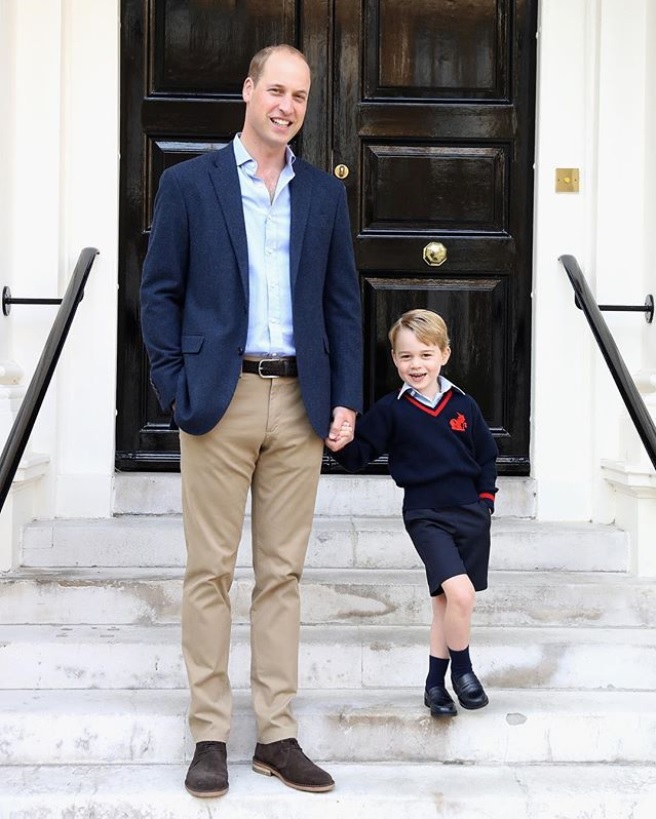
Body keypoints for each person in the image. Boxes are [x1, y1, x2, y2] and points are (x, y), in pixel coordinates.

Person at [140, 44, 362, 798]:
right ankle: (209, 731)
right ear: (248, 91)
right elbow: (159, 292)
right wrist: (174, 386)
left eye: (299, 95)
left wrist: (346, 396)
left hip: (300, 401)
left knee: (283, 575)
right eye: (276, 89)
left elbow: (342, 302)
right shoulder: (188, 184)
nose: (287, 106)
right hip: (219, 397)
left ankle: (276, 733)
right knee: (210, 571)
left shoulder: (324, 195)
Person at [332, 309, 497, 718]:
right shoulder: (391, 410)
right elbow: (358, 457)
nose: (416, 364)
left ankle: (432, 687)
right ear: (394, 359)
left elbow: (487, 457)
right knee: (461, 594)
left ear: (444, 354)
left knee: (447, 603)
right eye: (406, 357)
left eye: (425, 354)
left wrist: (486, 504)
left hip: (470, 514)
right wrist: (335, 442)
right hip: (426, 515)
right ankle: (464, 671)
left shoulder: (464, 405)